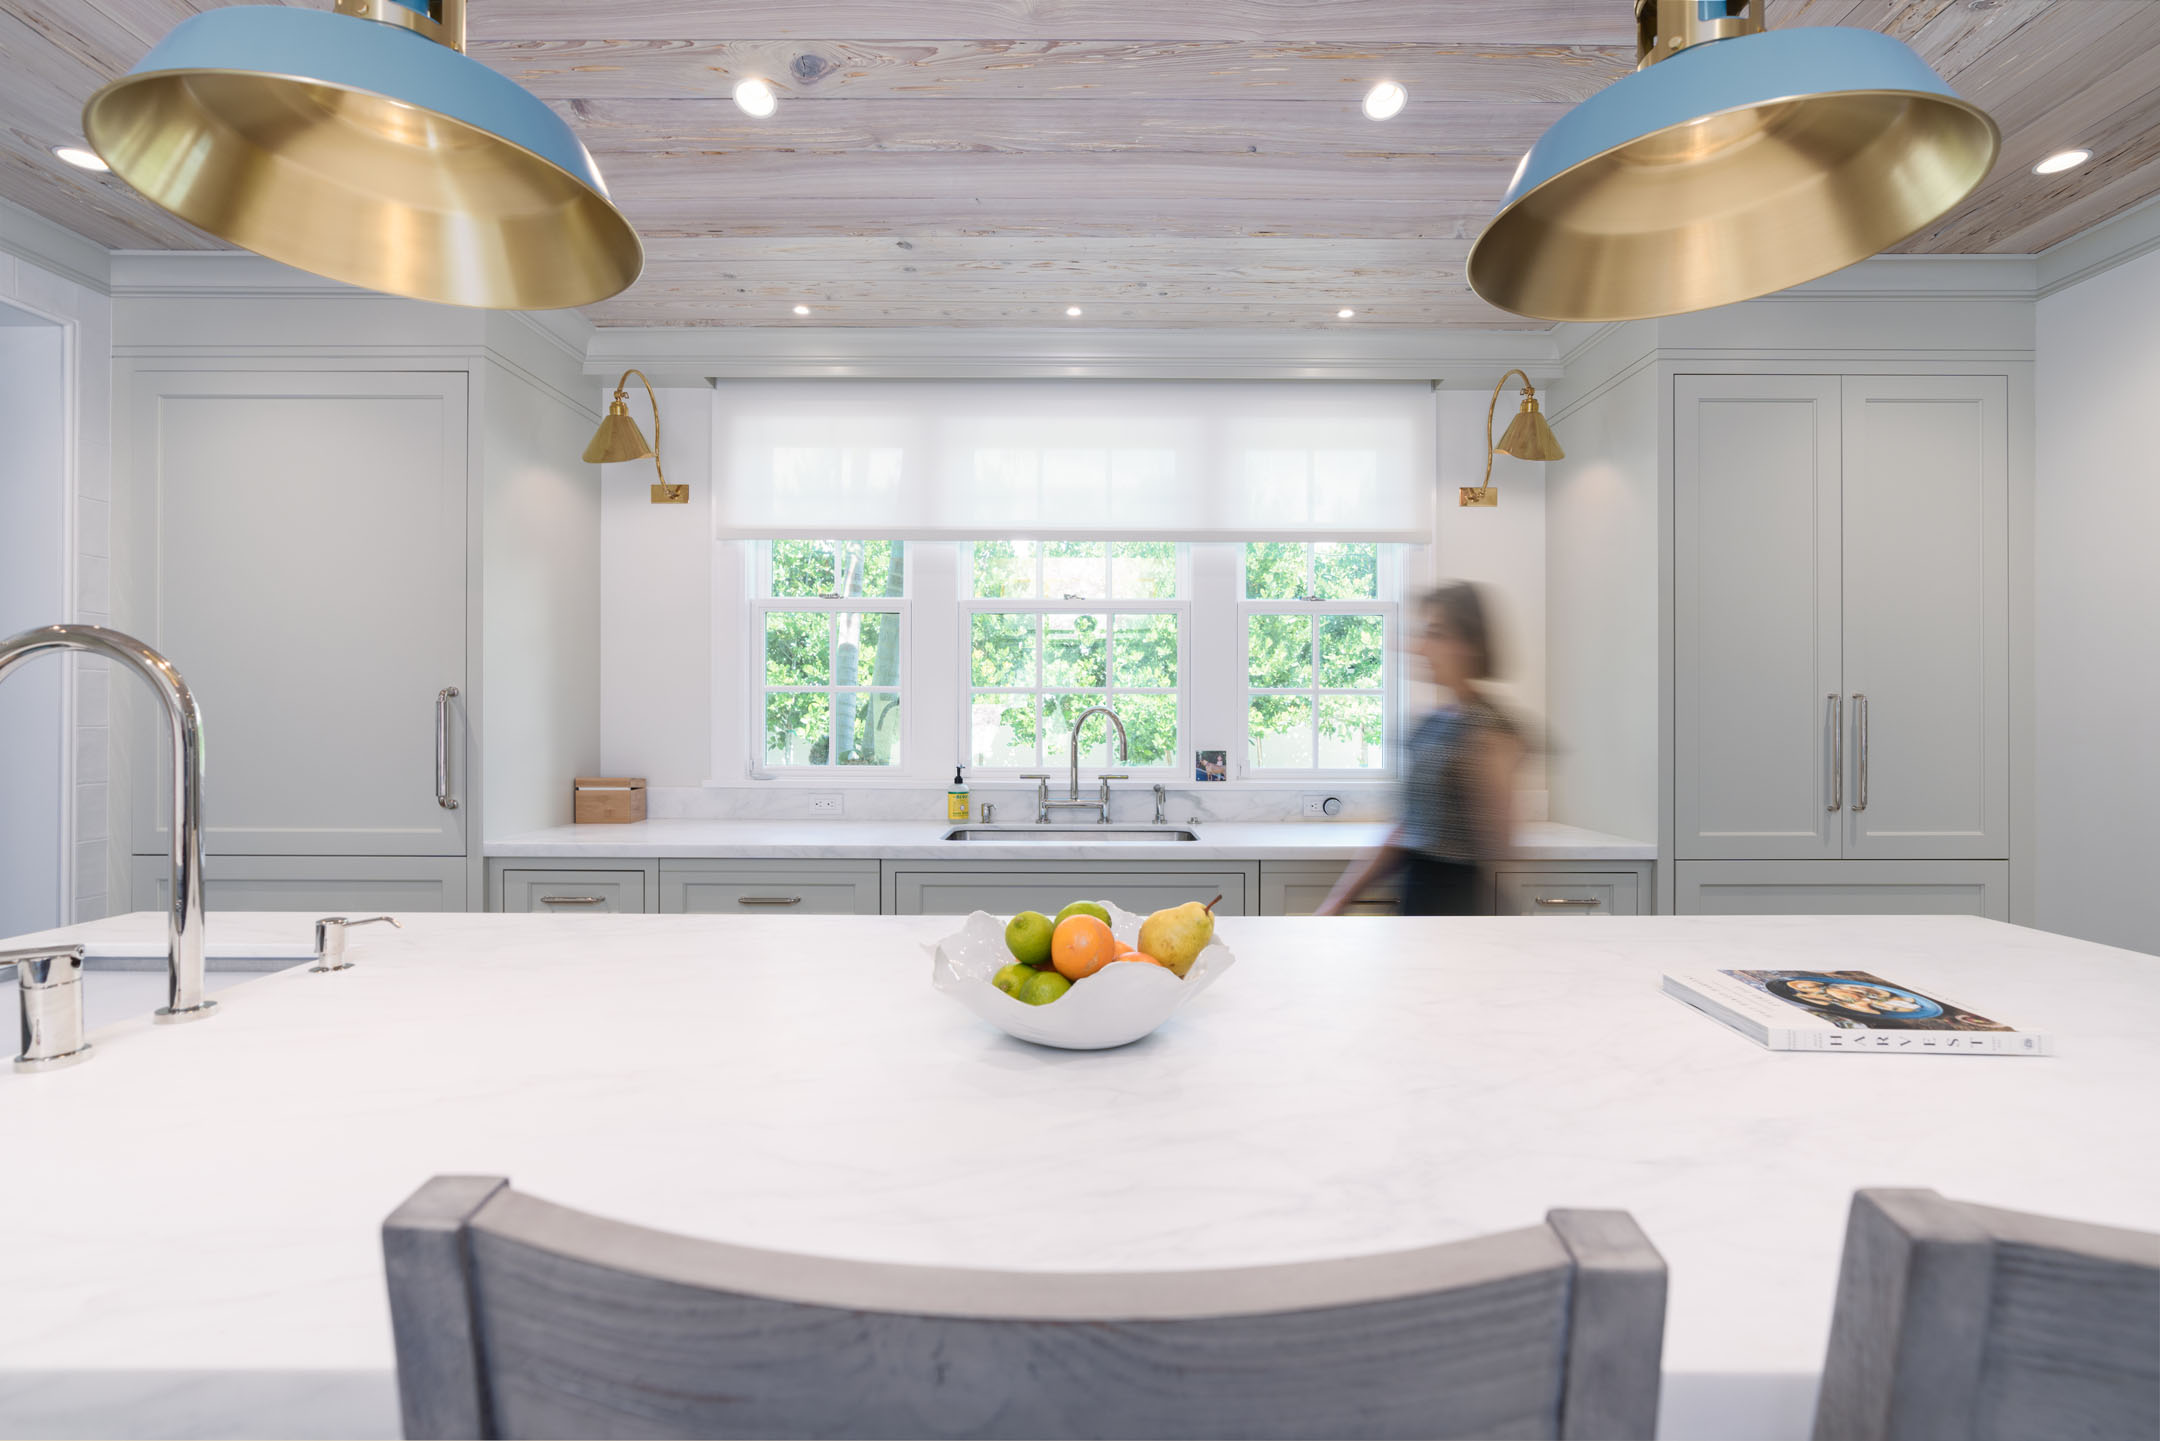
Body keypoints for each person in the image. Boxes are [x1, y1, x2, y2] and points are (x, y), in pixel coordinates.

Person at [1316, 582, 1524, 917]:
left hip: (1460, 911)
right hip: (1418, 903)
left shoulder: (1489, 729)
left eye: (1436, 634)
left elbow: (1499, 843)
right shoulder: (1431, 724)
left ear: (1470, 644)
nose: (1420, 647)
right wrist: (1337, 903)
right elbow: (1406, 830)